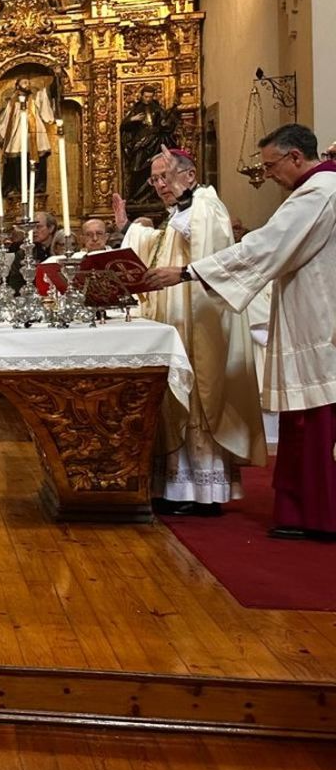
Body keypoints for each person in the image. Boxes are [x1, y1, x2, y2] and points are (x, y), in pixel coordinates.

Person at [149, 125, 334, 538]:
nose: (267, 175)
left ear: (295, 158)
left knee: (315, 422)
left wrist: (186, 271)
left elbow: (264, 246)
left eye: (270, 166)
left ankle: (318, 515)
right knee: (308, 421)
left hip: (319, 321)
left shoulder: (318, 193)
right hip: (313, 313)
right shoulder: (320, 189)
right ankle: (306, 512)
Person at [118, 148, 264, 514]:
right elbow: (159, 252)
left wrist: (178, 210)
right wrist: (130, 229)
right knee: (172, 395)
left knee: (197, 392)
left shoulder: (207, 204)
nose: (160, 185)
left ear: (190, 174)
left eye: (166, 176)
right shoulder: (176, 215)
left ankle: (203, 493)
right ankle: (173, 486)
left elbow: (209, 242)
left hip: (199, 317)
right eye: (154, 179)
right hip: (174, 317)